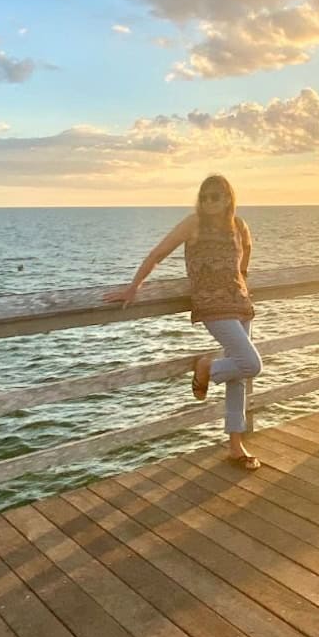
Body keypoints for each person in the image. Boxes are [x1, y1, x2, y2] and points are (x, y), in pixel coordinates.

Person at [104, 174, 262, 469]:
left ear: (229, 198)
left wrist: (241, 277)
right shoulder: (193, 224)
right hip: (212, 305)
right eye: (204, 196)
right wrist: (133, 287)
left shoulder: (239, 226)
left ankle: (236, 446)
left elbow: (247, 252)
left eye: (216, 196)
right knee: (251, 363)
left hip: (240, 303)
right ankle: (206, 367)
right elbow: (158, 254)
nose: (209, 202)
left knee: (239, 376)